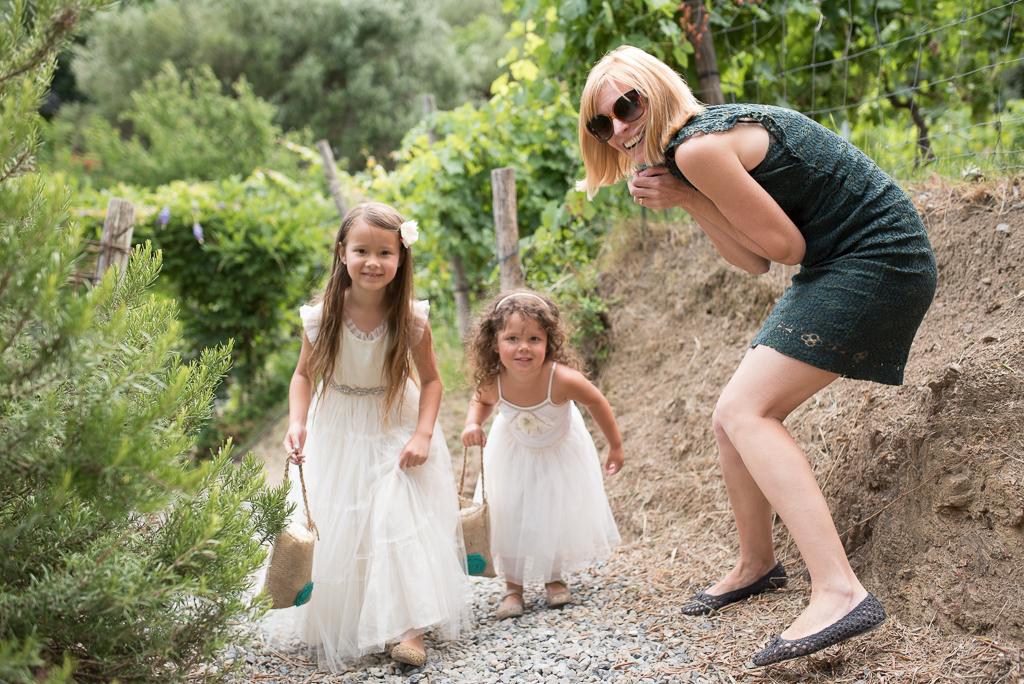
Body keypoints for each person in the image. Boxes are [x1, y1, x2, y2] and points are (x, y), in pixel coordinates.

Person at [578, 46, 936, 666]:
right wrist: (689, 201)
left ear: (657, 91)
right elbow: (753, 261)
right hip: (842, 259)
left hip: (877, 257)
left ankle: (839, 590)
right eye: (600, 123)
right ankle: (756, 563)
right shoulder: (692, 153)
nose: (618, 128)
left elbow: (785, 246)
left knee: (748, 413)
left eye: (626, 105)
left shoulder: (697, 146)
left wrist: (690, 192)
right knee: (730, 418)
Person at [281, 202, 468, 671]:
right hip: (340, 425)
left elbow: (431, 381)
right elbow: (303, 376)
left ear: (401, 258)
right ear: (342, 252)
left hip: (393, 424)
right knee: (349, 521)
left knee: (396, 516)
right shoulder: (321, 316)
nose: (372, 261)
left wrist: (424, 434)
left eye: (385, 252)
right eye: (362, 250)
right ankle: (363, 616)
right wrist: (297, 422)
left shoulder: (410, 318)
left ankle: (409, 629)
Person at [461, 289, 624, 620]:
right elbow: (480, 401)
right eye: (512, 338)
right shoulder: (495, 381)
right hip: (512, 452)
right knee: (510, 513)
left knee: (553, 511)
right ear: (494, 343)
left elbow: (597, 402)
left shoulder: (563, 379)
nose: (523, 347)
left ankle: (553, 577)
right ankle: (513, 587)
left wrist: (615, 445)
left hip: (558, 452)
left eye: (534, 338)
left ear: (549, 342)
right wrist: (472, 423)